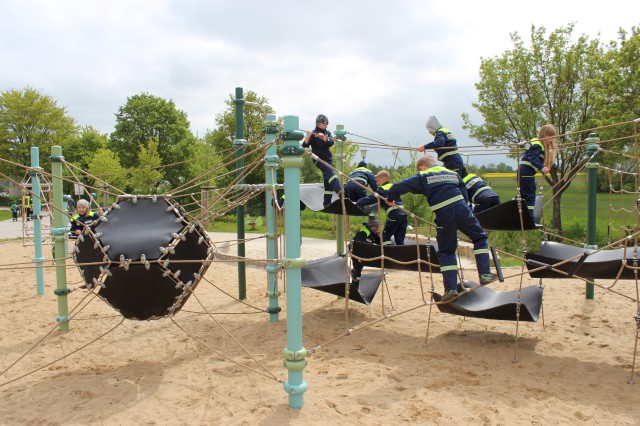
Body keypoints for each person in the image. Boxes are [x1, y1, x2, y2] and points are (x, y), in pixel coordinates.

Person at [386, 155, 498, 302]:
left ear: (422, 167)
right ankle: (484, 274)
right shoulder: (453, 174)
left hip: (444, 215)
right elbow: (465, 196)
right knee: (480, 237)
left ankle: (450, 289)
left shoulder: (423, 175)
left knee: (446, 250)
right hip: (462, 209)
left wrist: (390, 198)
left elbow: (398, 187)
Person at [356, 170, 407, 245]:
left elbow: (371, 198)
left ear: (384, 179)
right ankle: (401, 254)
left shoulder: (382, 189)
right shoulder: (394, 186)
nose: (377, 183)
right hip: (403, 215)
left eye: (378, 180)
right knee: (399, 239)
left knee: (385, 238)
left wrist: (358, 202)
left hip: (394, 214)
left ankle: (388, 253)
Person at [302, 114, 342, 207]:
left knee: (328, 180)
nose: (326, 125)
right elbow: (304, 146)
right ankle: (339, 190)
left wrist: (324, 138)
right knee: (330, 172)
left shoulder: (327, 133)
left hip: (328, 159)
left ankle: (327, 202)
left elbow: (331, 143)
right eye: (324, 124)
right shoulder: (313, 133)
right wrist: (308, 136)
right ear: (318, 124)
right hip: (318, 159)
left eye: (327, 124)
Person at [518, 124, 557, 217]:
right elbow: (532, 158)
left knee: (523, 194)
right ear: (544, 135)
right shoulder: (537, 145)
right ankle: (530, 217)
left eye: (552, 138)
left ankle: (514, 211)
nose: (551, 140)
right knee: (530, 196)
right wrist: (542, 167)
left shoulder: (534, 142)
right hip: (526, 173)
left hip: (522, 172)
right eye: (549, 137)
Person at [350, 217, 381, 283]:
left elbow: (379, 242)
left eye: (378, 227)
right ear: (371, 226)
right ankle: (355, 274)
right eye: (376, 227)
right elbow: (359, 245)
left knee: (358, 272)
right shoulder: (363, 232)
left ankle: (356, 283)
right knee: (357, 269)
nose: (377, 229)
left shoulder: (373, 233)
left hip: (361, 252)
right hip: (356, 252)